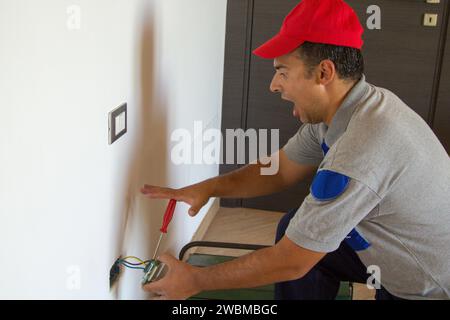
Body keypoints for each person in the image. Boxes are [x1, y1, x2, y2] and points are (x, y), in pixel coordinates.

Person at [141, 0, 450, 300]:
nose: (274, 85)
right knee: (295, 226)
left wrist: (195, 279)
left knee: (298, 250)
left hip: (427, 286)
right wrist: (208, 188)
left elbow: (292, 261)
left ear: (324, 73)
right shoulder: (352, 108)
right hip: (393, 256)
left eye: (283, 72)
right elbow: (279, 169)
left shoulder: (361, 149)